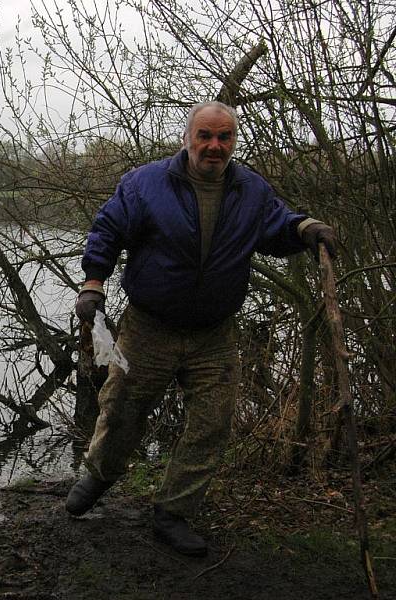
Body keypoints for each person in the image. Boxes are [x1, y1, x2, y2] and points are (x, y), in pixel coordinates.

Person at [66, 101, 337, 557]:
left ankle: (172, 513)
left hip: (214, 332)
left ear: (233, 141)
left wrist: (307, 229)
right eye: (205, 136)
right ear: (188, 138)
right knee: (123, 410)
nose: (215, 146)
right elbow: (107, 229)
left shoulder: (250, 189)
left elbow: (277, 227)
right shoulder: (144, 184)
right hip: (150, 327)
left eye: (224, 137)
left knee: (212, 424)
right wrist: (94, 281)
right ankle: (98, 476)